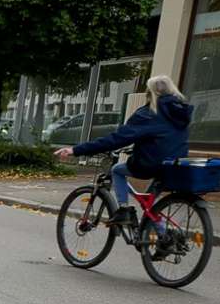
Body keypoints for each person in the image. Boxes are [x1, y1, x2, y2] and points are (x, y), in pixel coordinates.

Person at [55, 75, 193, 228]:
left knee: (117, 170)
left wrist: (76, 150)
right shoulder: (180, 113)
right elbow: (163, 138)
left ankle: (124, 209)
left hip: (151, 164)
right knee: (149, 207)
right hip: (174, 165)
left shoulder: (149, 114)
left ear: (150, 92)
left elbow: (117, 139)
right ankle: (165, 237)